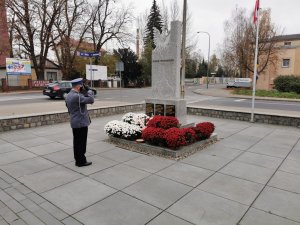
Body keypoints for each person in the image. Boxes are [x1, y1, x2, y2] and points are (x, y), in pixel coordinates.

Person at [65, 78, 94, 167]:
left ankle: (78, 160)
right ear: (78, 86)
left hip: (75, 121)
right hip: (81, 123)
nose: (82, 87)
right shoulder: (77, 96)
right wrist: (89, 90)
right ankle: (81, 161)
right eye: (81, 86)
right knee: (81, 143)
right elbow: (91, 100)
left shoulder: (68, 95)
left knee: (77, 142)